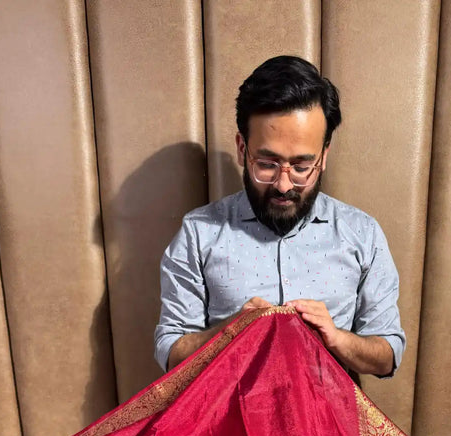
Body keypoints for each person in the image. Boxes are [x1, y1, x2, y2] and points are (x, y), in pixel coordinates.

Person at [154, 55, 405, 378]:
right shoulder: (199, 232)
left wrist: (337, 339)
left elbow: (387, 356)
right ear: (242, 148)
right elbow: (170, 351)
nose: (284, 185)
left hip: (326, 422)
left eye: (301, 167)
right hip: (226, 420)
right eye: (267, 164)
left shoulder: (362, 233)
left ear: (324, 157)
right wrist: (228, 332)